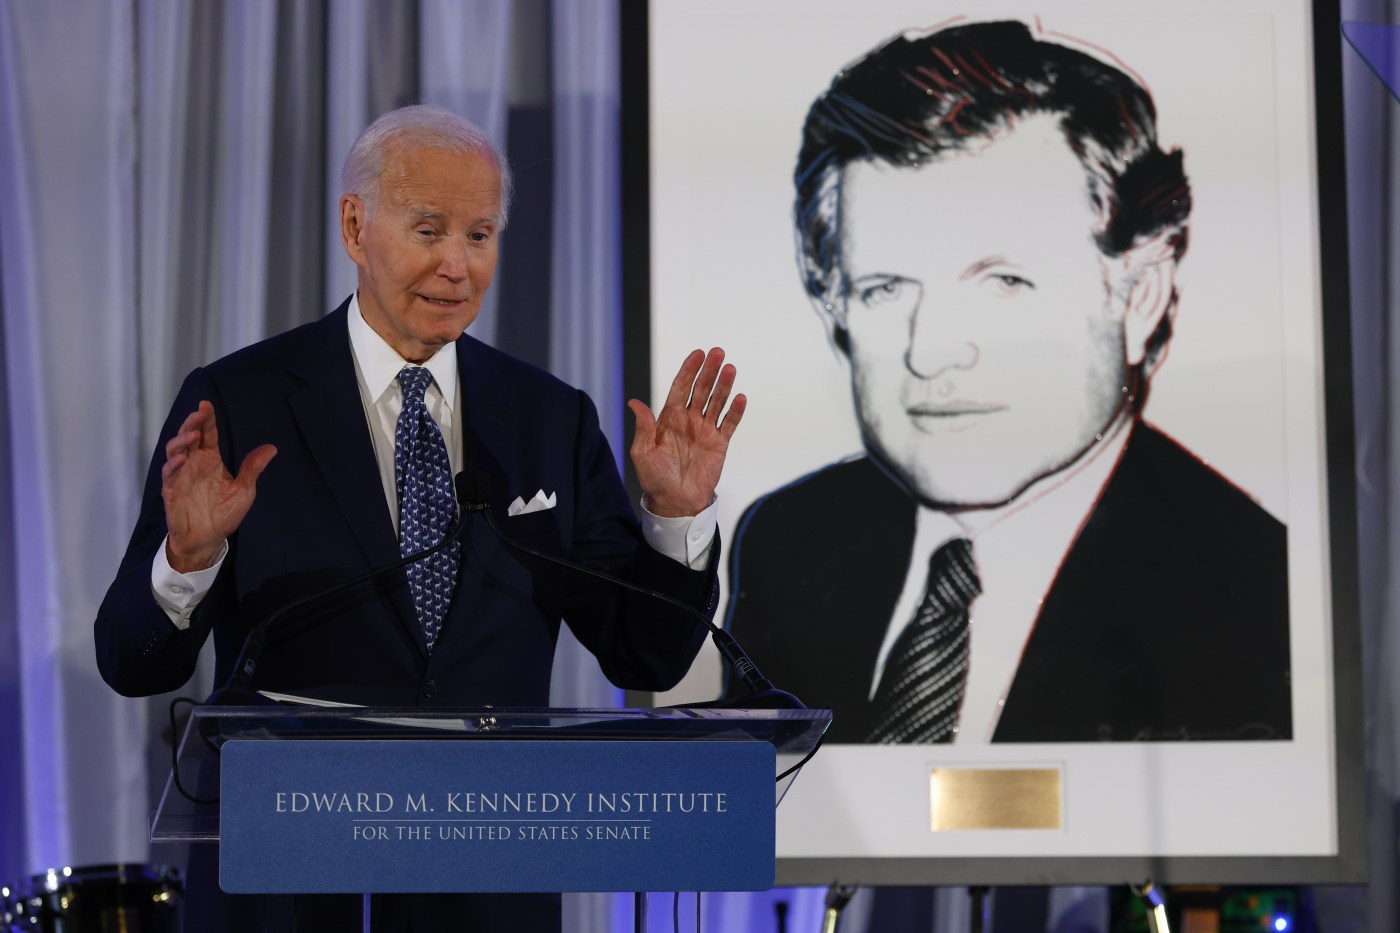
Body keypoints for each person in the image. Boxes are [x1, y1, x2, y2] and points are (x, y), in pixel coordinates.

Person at [94, 105, 744, 931]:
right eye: (429, 230)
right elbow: (130, 660)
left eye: (480, 235)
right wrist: (188, 557)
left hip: (488, 883)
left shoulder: (549, 418)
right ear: (355, 226)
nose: (456, 266)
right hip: (290, 883)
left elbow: (644, 651)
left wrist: (675, 518)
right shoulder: (241, 401)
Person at [725, 20, 1290, 744]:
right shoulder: (789, 542)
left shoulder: (1254, 591)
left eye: (1004, 282)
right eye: (884, 288)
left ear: (1139, 294)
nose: (930, 351)